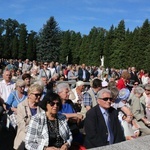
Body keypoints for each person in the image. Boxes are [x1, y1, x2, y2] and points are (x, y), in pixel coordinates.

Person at [13, 83, 43, 150]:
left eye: (40, 94)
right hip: (24, 138)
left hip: (38, 140)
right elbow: (21, 124)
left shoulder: (42, 106)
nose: (39, 97)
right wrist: (34, 131)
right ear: (29, 95)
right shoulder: (21, 106)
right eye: (36, 95)